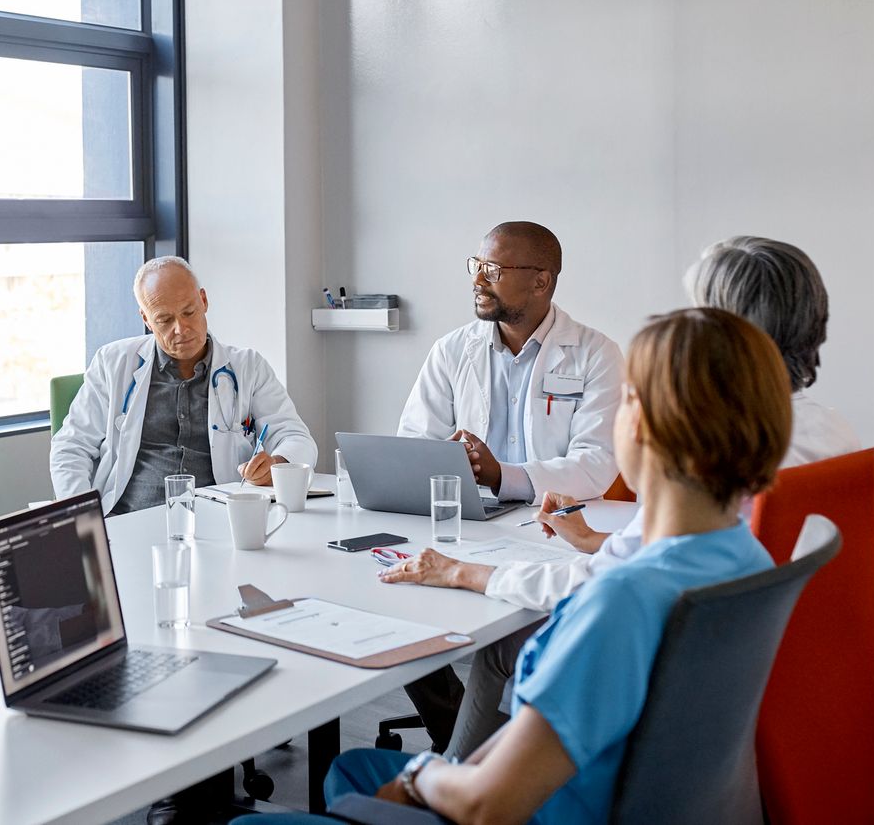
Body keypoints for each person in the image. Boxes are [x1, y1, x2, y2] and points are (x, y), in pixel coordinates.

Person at [236, 307, 791, 825]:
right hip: (627, 796)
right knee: (353, 769)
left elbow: (487, 805)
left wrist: (420, 771)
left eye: (623, 399)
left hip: (541, 807)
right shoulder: (745, 555)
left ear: (640, 424)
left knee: (324, 787)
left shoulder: (620, 602)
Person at [389, 235, 862, 760]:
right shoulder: (825, 433)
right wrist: (595, 538)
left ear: (735, 335)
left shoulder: (722, 455)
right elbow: (685, 554)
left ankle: (457, 768)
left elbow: (612, 587)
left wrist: (463, 572)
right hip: (786, 663)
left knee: (500, 646)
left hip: (680, 661)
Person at [396, 221, 623, 748]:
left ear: (542, 281)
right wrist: (446, 462)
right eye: (476, 266)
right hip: (466, 521)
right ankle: (456, 734)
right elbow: (413, 440)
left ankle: (496, 751)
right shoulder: (452, 350)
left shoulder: (594, 353)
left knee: (510, 630)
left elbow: (597, 463)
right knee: (398, 598)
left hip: (554, 530)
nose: (478, 280)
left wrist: (504, 475)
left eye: (493, 270)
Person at [51, 256, 316, 514]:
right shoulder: (113, 363)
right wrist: (82, 519)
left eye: (189, 312)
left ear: (203, 300)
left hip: (220, 521)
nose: (181, 328)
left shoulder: (248, 367)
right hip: (130, 519)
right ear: (146, 319)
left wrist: (278, 464)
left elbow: (294, 436)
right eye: (164, 320)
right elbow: (71, 448)